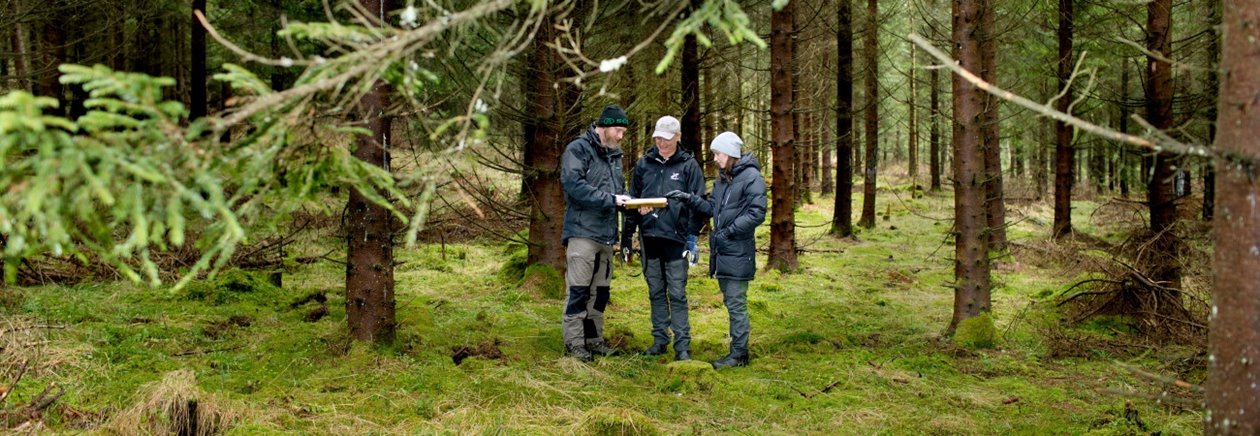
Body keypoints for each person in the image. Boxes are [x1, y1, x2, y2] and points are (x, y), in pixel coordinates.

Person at [665, 131, 766, 369]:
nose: (715, 159)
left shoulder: (752, 177)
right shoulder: (723, 179)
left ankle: (739, 355)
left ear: (730, 153)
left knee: (736, 303)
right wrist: (689, 199)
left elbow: (757, 213)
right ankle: (737, 351)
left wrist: (729, 231)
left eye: (718, 153)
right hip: (723, 251)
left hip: (738, 250)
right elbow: (712, 208)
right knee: (732, 302)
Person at [621, 115, 704, 361]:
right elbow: (631, 201)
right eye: (658, 138)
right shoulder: (644, 165)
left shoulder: (689, 166)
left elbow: (698, 205)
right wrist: (627, 237)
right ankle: (659, 339)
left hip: (676, 241)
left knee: (677, 293)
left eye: (666, 139)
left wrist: (692, 237)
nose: (662, 143)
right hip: (649, 239)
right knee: (655, 291)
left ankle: (682, 346)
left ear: (677, 138)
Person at [559, 104, 633, 362]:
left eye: (623, 131)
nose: (621, 136)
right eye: (618, 130)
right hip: (582, 234)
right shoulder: (578, 149)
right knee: (578, 291)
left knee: (599, 294)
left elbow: (618, 192)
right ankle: (574, 345)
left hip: (606, 236)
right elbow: (573, 186)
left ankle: (594, 340)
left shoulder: (614, 156)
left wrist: (634, 204)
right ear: (604, 126)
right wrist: (611, 199)